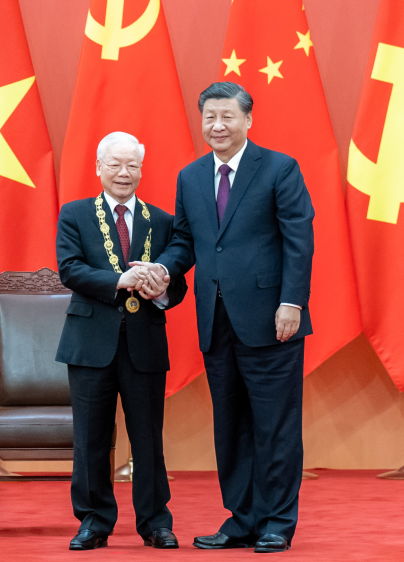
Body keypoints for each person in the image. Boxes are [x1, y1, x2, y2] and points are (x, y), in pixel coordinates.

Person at [132, 82, 314, 553]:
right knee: (231, 426)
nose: (217, 125)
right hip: (215, 320)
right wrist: (162, 270)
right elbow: (185, 242)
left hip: (272, 319)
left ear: (247, 120)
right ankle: (242, 518)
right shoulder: (191, 176)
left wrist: (292, 302)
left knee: (275, 426)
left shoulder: (279, 168)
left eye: (227, 116)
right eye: (209, 117)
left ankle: (277, 522)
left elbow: (299, 239)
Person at [55, 131, 187, 551]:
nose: (123, 172)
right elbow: (69, 269)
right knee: (90, 438)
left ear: (141, 170)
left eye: (132, 165)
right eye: (115, 164)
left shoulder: (162, 221)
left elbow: (178, 286)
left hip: (144, 344)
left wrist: (160, 290)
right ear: (99, 167)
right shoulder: (74, 214)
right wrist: (119, 280)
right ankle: (93, 522)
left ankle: (155, 523)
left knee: (148, 438)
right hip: (89, 342)